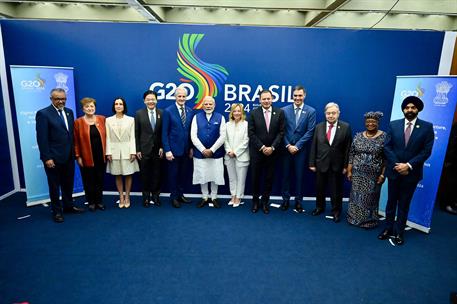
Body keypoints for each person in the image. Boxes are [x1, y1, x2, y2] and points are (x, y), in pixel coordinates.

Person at [378, 96, 434, 245]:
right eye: (407, 107)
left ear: (418, 109)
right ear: (403, 109)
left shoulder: (427, 127)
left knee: (404, 204)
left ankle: (399, 232)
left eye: (413, 108)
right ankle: (388, 228)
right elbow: (387, 146)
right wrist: (398, 165)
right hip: (395, 171)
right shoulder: (393, 124)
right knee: (391, 203)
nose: (409, 110)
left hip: (411, 174)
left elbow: (426, 151)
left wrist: (408, 165)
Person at [36, 88, 85, 223]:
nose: (61, 101)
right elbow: (42, 138)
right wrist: (47, 157)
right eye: (57, 99)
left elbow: (70, 135)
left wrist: (75, 154)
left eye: (63, 98)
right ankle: (56, 211)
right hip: (53, 158)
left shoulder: (69, 112)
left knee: (68, 183)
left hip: (69, 156)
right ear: (51, 99)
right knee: (54, 186)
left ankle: (68, 206)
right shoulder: (43, 114)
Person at [309, 102, 352, 223]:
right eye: (328, 113)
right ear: (325, 114)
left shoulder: (345, 127)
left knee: (336, 191)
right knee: (319, 188)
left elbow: (348, 148)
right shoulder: (319, 127)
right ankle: (319, 207)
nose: (331, 115)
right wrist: (311, 163)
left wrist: (345, 166)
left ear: (338, 113)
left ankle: (336, 211)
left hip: (337, 165)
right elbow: (314, 146)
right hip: (320, 164)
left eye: (333, 113)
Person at [347, 111, 386, 228]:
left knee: (370, 198)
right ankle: (353, 218)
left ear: (378, 123)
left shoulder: (384, 137)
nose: (370, 124)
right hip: (357, 174)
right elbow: (352, 154)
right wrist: (349, 170)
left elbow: (386, 159)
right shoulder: (358, 136)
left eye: (373, 122)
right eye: (368, 121)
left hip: (373, 176)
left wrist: (383, 175)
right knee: (355, 196)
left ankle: (369, 221)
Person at [248, 89, 285, 214]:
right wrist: (262, 147)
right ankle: (255, 202)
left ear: (272, 99)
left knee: (269, 179)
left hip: (273, 153)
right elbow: (251, 133)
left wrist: (272, 147)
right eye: (263, 99)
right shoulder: (253, 113)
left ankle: (265, 202)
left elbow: (281, 132)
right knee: (255, 178)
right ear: (260, 100)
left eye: (268, 98)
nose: (266, 101)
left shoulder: (279, 113)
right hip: (257, 152)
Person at [280, 85, 316, 213]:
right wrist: (288, 145)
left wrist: (297, 146)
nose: (297, 98)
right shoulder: (284, 110)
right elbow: (281, 131)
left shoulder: (311, 111)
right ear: (292, 96)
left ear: (304, 96)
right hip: (286, 149)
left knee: (300, 177)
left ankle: (298, 202)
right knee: (285, 176)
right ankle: (285, 200)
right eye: (295, 95)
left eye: (300, 95)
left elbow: (310, 131)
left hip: (301, 151)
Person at [191, 96, 226, 208]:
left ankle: (214, 197)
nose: (208, 106)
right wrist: (202, 149)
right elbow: (193, 135)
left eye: (210, 104)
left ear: (214, 105)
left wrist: (212, 150)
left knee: (215, 175)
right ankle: (205, 197)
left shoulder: (220, 117)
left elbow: (223, 136)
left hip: (216, 154)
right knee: (203, 175)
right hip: (200, 153)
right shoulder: (196, 117)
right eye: (206, 104)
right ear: (202, 105)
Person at [162, 86, 194, 208]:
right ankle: (174, 197)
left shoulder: (190, 111)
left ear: (186, 97)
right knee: (173, 175)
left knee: (183, 174)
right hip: (173, 151)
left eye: (183, 96)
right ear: (175, 97)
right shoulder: (168, 111)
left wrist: (191, 148)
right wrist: (167, 150)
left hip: (186, 150)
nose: (181, 98)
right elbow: (164, 133)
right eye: (179, 96)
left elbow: (190, 131)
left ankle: (180, 195)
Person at [74, 97, 107, 212]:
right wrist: (78, 156)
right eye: (87, 106)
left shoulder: (102, 119)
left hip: (101, 155)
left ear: (95, 107)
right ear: (83, 108)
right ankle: (91, 202)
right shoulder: (78, 122)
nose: (90, 108)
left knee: (99, 179)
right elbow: (76, 141)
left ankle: (99, 201)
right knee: (88, 180)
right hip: (86, 156)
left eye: (92, 106)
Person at [106, 97, 139, 208]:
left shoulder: (131, 119)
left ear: (124, 106)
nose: (118, 106)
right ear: (114, 106)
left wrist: (133, 151)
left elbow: (133, 138)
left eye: (121, 104)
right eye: (116, 104)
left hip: (127, 150)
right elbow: (108, 138)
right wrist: (108, 152)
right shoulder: (108, 120)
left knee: (128, 174)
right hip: (114, 151)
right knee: (118, 174)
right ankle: (121, 196)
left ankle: (127, 196)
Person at [135, 90, 163, 207]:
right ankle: (146, 197)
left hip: (158, 150)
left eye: (153, 99)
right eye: (148, 99)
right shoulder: (139, 113)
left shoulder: (162, 113)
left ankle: (156, 196)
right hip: (144, 149)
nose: (151, 101)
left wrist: (162, 146)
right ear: (144, 101)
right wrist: (137, 149)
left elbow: (163, 132)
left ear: (156, 100)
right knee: (145, 174)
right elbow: (136, 132)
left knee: (157, 174)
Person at [224, 103, 250, 208]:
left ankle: (238, 197)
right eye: (234, 111)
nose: (237, 113)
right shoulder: (227, 125)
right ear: (231, 112)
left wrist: (236, 152)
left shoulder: (246, 124)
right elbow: (225, 140)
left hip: (242, 156)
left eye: (239, 111)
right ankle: (233, 195)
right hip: (229, 156)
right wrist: (229, 151)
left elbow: (246, 140)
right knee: (232, 178)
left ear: (242, 112)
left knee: (241, 179)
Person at [437, 122, 457, 215]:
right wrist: (449, 159)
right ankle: (446, 205)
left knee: (454, 183)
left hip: (453, 160)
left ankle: (452, 202)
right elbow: (452, 144)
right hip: (451, 160)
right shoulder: (455, 127)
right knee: (448, 183)